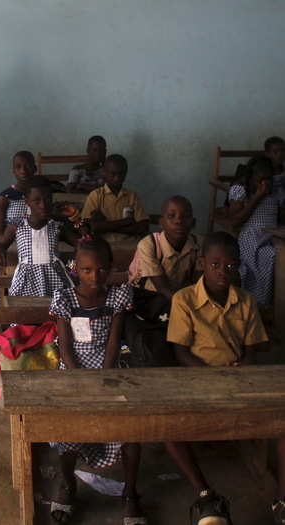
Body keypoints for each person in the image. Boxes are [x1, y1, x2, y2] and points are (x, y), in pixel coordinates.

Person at [164, 231, 276, 524]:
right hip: (196, 377)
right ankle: (205, 494)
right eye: (215, 264)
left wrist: (243, 370)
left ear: (239, 266)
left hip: (237, 379)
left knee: (280, 420)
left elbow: (254, 347)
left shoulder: (246, 300)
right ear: (202, 263)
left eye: (230, 266)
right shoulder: (184, 299)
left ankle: (281, 503)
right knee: (164, 428)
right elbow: (180, 353)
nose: (222, 272)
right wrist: (211, 376)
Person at [47, 237, 145, 525]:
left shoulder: (117, 296)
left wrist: (104, 377)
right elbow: (65, 348)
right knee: (67, 425)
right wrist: (81, 381)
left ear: (111, 268)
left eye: (101, 270)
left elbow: (114, 343)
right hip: (74, 369)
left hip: (109, 367)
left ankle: (130, 493)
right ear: (75, 268)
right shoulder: (64, 298)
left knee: (131, 425)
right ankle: (66, 483)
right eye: (87, 270)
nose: (95, 276)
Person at [0, 176, 76, 298]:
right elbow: (2, 244)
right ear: (27, 202)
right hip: (26, 281)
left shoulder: (57, 226)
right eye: (36, 201)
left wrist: (72, 268)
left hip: (55, 280)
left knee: (58, 307)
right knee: (25, 311)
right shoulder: (17, 225)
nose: (43, 205)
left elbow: (82, 244)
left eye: (47, 199)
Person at [228, 157, 285, 306]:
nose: (265, 184)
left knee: (279, 253)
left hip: (272, 236)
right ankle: (257, 303)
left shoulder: (275, 193)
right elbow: (235, 222)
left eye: (268, 179)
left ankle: (275, 303)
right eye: (260, 180)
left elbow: (281, 218)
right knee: (269, 256)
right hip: (251, 237)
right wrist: (257, 197)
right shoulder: (241, 191)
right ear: (251, 178)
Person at [0, 151, 34, 306]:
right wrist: (1, 245)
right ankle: (2, 304)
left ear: (35, 168)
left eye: (27, 166)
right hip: (12, 241)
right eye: (18, 167)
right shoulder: (5, 197)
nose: (23, 170)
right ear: (13, 171)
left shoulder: (40, 193)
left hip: (37, 239)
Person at [81, 154, 149, 246]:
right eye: (113, 174)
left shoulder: (132, 196)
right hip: (104, 247)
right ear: (104, 172)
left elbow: (143, 228)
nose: (117, 178)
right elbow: (91, 227)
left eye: (121, 174)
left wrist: (105, 225)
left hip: (130, 246)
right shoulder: (96, 196)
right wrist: (126, 222)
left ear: (126, 173)